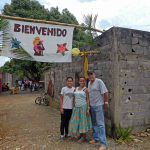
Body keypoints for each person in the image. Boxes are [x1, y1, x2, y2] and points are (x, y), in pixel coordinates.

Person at [88, 70, 109, 150]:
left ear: (94, 74)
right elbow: (89, 95)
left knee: (100, 124)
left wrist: (106, 102)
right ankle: (96, 138)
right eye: (89, 75)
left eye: (91, 74)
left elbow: (105, 92)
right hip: (92, 106)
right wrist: (89, 106)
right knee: (94, 123)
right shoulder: (89, 83)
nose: (90, 76)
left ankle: (103, 144)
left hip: (99, 106)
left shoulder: (99, 81)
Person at [69, 77, 92, 142]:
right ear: (79, 82)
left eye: (83, 81)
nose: (82, 82)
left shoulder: (86, 89)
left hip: (83, 107)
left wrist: (88, 109)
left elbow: (87, 99)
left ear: (84, 82)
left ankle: (84, 137)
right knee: (77, 121)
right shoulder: (75, 89)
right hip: (76, 107)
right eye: (80, 81)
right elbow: (74, 98)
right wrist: (73, 106)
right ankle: (80, 134)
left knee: (83, 122)